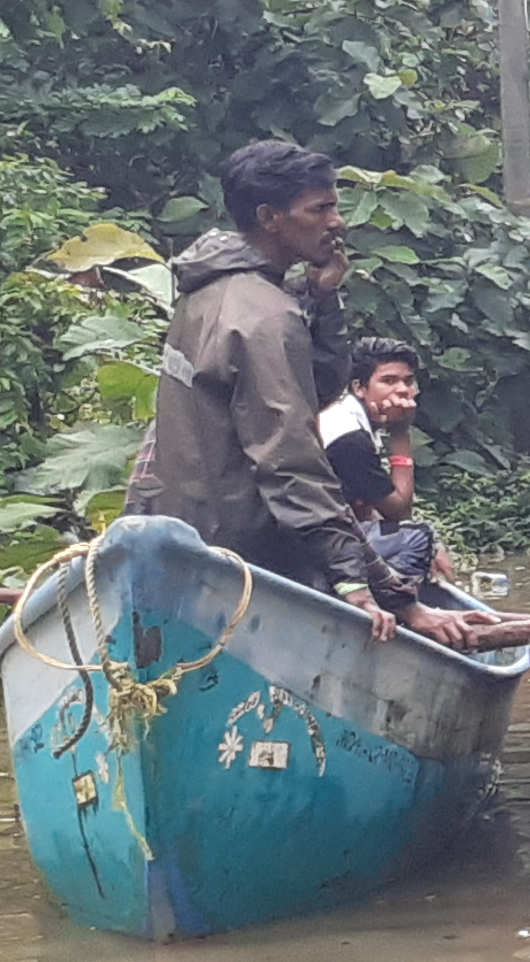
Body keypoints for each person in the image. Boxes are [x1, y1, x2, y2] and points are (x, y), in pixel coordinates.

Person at [125, 141, 460, 640]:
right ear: (270, 218)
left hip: (189, 538)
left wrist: (321, 300)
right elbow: (290, 459)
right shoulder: (263, 316)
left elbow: (313, 394)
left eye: (335, 206)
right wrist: (352, 581)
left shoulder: (207, 294)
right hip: (243, 549)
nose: (337, 222)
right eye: (320, 208)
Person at [314, 337, 459, 604]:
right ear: (359, 387)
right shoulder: (349, 436)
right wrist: (401, 433)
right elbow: (399, 508)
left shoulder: (348, 417)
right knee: (419, 538)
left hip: (327, 535)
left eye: (408, 381)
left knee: (420, 535)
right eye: (389, 381)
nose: (403, 390)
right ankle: (400, 607)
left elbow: (375, 507)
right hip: (317, 546)